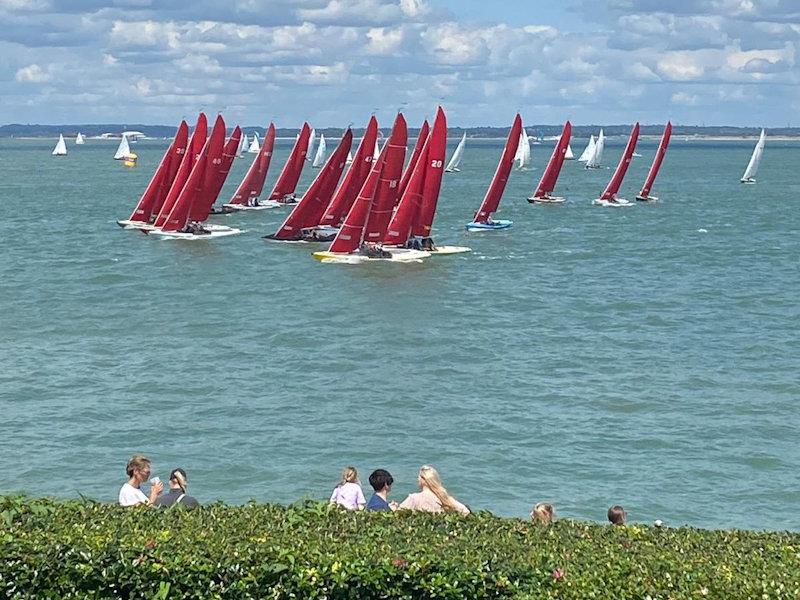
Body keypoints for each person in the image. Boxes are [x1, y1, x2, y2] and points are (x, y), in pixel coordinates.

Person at [398, 465, 470, 516]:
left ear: (423, 480)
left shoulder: (414, 498)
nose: (417, 479)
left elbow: (398, 513)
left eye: (418, 477)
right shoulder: (444, 498)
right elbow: (465, 511)